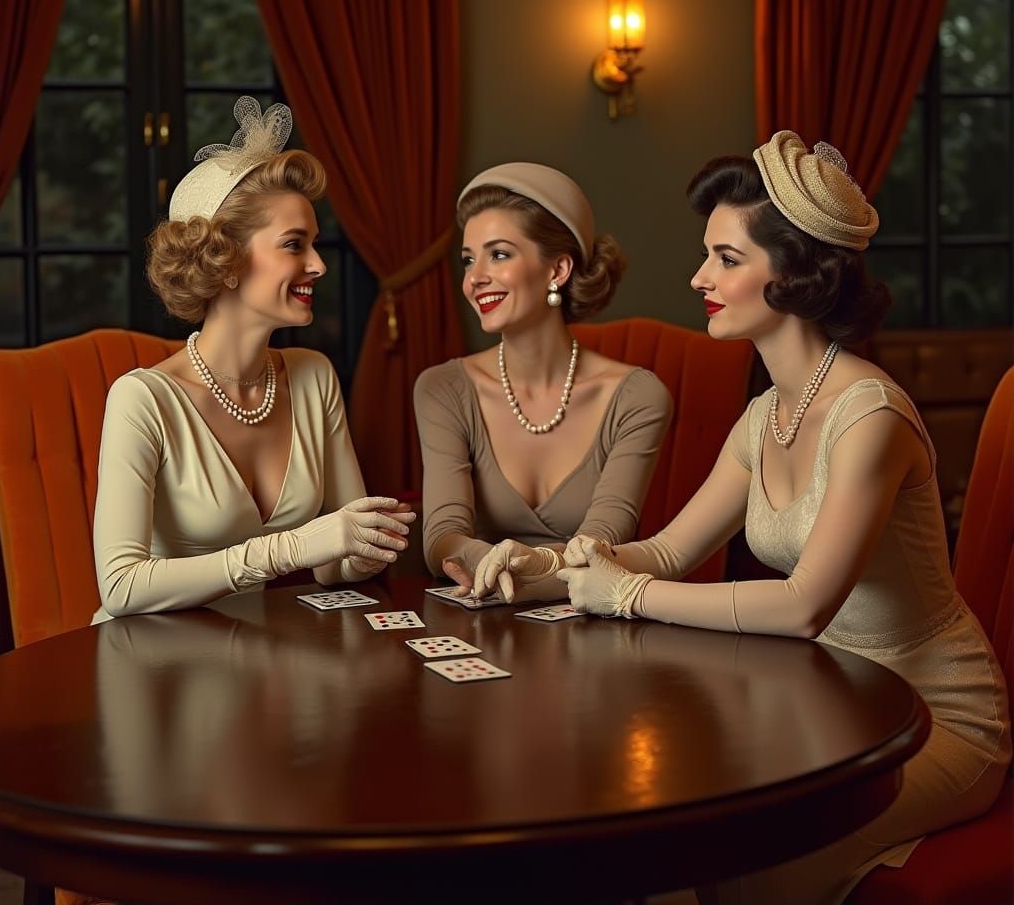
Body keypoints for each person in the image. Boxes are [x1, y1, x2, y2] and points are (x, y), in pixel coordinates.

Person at [550, 132, 1011, 904]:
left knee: (750, 868)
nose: (699, 276)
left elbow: (803, 608)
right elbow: (665, 552)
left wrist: (622, 595)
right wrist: (543, 569)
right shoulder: (766, 413)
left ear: (797, 274)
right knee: (663, 840)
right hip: (837, 708)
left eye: (728, 260)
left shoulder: (869, 416)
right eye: (709, 255)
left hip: (936, 720)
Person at [92, 97, 414, 622]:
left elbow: (335, 564)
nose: (317, 265)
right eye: (294, 245)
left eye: (314, 244)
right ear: (226, 260)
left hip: (253, 653)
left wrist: (372, 538)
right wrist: (292, 549)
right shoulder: (142, 399)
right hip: (149, 663)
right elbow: (121, 587)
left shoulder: (314, 376)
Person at [413, 162, 671, 602]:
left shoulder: (637, 397)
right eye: (468, 259)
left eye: (498, 254)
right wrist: (494, 564)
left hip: (596, 628)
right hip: (477, 621)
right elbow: (442, 537)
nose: (475, 278)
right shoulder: (442, 388)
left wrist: (524, 567)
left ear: (558, 270)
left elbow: (602, 546)